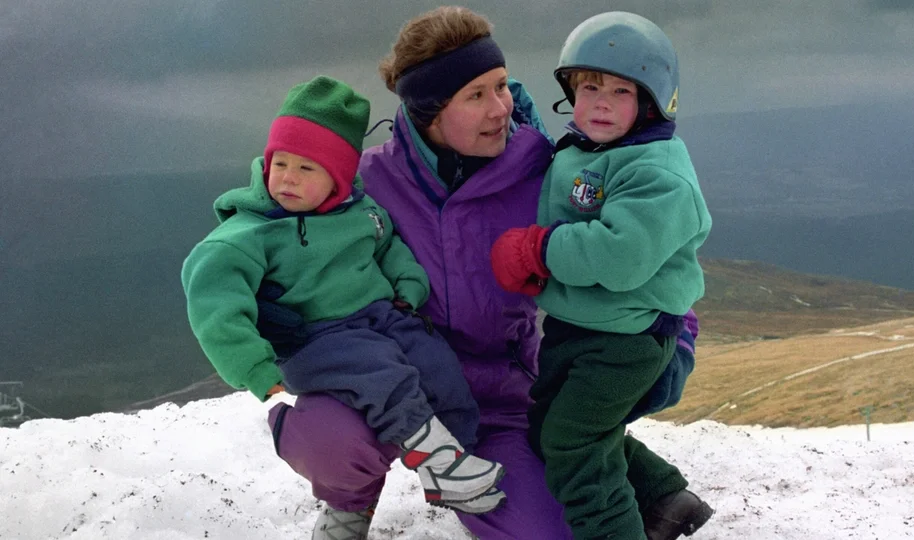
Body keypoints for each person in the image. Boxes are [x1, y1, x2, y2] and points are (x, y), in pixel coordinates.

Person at [259, 7, 574, 540]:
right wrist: (268, 300)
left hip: (495, 400)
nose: (500, 108)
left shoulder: (539, 171)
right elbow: (275, 227)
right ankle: (350, 502)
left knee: (548, 533)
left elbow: (628, 247)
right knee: (329, 438)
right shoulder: (367, 183)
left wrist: (670, 343)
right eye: (476, 95)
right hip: (389, 381)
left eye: (501, 86)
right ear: (430, 109)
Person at [179, 75, 508, 527]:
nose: (288, 178)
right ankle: (439, 462)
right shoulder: (248, 235)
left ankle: (460, 457)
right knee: (384, 378)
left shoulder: (360, 212)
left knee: (437, 367)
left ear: (337, 178)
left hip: (381, 318)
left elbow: (388, 246)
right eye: (281, 164)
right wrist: (252, 366)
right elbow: (213, 301)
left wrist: (408, 287)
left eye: (307, 168)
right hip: (320, 337)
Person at [489, 12, 715, 540]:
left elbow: (621, 256)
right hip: (583, 327)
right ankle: (666, 498)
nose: (603, 102)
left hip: (628, 338)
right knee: (556, 430)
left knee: (574, 444)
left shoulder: (654, 170)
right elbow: (562, 184)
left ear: (653, 103)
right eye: (590, 87)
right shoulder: (590, 149)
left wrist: (538, 250)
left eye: (621, 90)